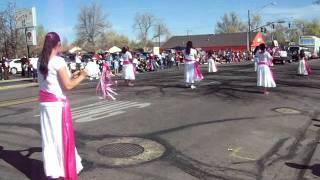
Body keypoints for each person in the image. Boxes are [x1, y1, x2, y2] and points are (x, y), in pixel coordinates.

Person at [38, 32, 86, 179]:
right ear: (57, 45)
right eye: (61, 44)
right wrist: (83, 76)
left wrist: (73, 75)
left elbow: (55, 82)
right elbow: (68, 86)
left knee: (49, 138)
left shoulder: (40, 60)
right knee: (61, 138)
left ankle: (52, 170)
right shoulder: (58, 61)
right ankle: (63, 170)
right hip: (56, 106)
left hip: (45, 105)